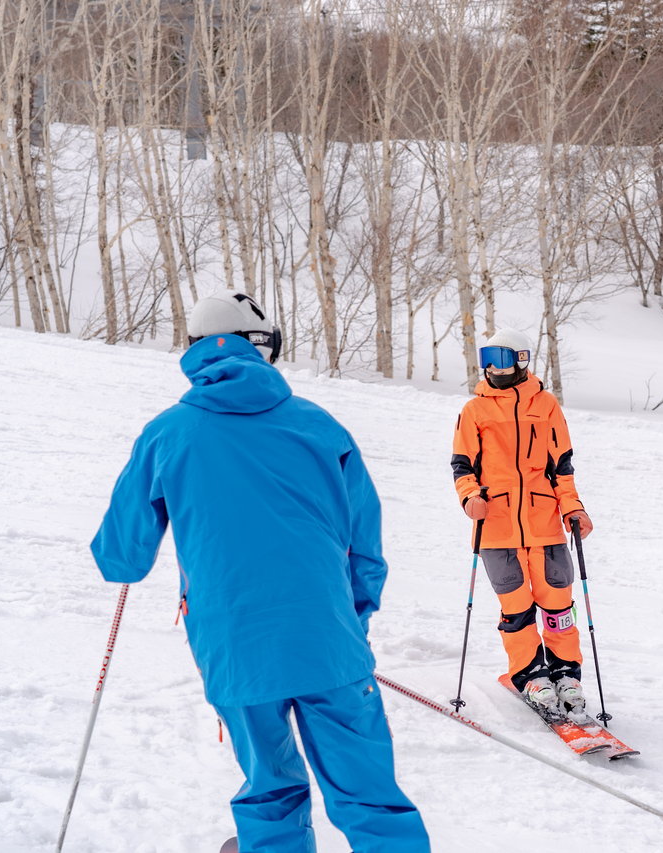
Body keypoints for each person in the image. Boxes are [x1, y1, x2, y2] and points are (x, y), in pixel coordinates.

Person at [91, 290, 429, 853]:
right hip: (328, 640)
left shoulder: (167, 433)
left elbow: (120, 558)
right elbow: (364, 550)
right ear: (259, 346)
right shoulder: (320, 426)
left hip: (234, 645)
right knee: (368, 792)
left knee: (270, 785)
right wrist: (351, 625)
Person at [451, 329, 594, 714]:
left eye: (502, 357)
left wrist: (573, 509)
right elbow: (462, 466)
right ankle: (529, 674)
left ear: (521, 359)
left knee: (558, 606)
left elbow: (562, 468)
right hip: (496, 527)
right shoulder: (474, 410)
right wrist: (470, 498)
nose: (494, 367)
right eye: (487, 358)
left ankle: (566, 674)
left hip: (544, 522)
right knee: (516, 609)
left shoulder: (545, 405)